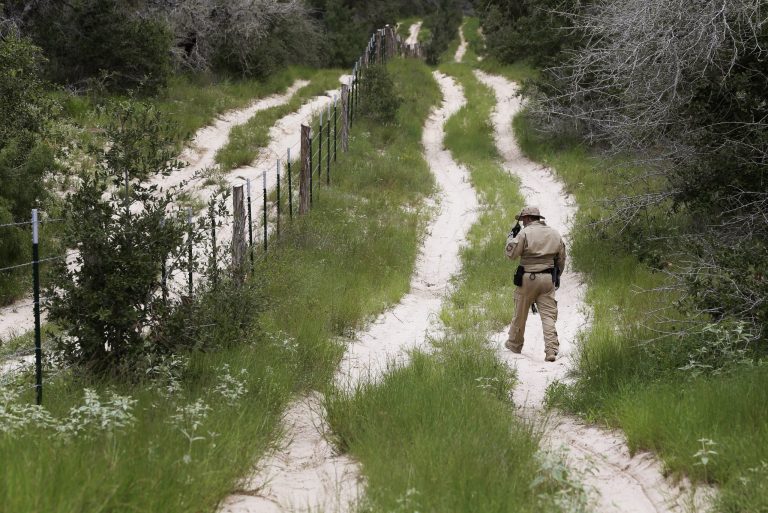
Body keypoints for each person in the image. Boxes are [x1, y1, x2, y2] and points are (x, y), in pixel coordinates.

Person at [504, 206, 566, 362]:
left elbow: (511, 254)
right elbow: (561, 258)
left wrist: (510, 238)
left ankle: (514, 344)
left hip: (527, 278)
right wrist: (556, 274)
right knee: (548, 316)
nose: (522, 222)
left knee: (520, 313)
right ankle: (551, 350)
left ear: (528, 218)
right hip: (547, 279)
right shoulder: (554, 233)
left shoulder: (524, 233)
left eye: (523, 219)